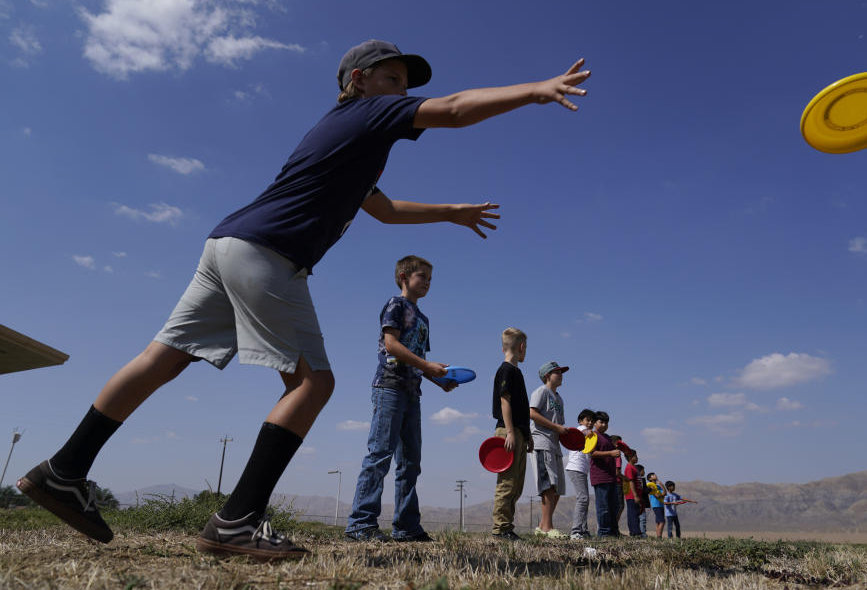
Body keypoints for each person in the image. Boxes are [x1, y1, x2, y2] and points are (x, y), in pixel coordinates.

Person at [17, 39, 591, 560]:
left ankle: (63, 471)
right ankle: (237, 519)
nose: (404, 90)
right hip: (269, 253)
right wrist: (534, 91)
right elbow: (457, 108)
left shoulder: (348, 140)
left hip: (227, 244)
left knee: (163, 357)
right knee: (314, 383)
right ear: (358, 80)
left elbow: (383, 210)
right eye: (393, 78)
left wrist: (451, 213)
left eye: (405, 82)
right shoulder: (369, 113)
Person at [344, 255, 452, 542]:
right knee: (380, 454)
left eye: (430, 279)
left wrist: (437, 379)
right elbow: (391, 345)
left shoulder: (424, 319)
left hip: (411, 392)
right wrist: (427, 367)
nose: (428, 283)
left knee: (410, 462)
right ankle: (360, 524)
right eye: (422, 277)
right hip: (389, 388)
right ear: (404, 277)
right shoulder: (396, 305)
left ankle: (406, 527)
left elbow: (418, 359)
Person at [491, 328, 532, 541]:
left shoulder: (516, 372)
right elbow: (504, 400)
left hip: (519, 432)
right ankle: (500, 528)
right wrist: (509, 432)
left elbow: (521, 408)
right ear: (522, 347)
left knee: (517, 483)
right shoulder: (506, 370)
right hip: (508, 432)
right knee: (507, 482)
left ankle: (507, 526)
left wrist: (527, 435)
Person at [529, 361, 570, 539]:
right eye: (557, 372)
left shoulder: (559, 398)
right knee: (548, 485)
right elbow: (531, 413)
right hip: (541, 442)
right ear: (547, 376)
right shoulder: (541, 391)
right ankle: (547, 528)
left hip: (555, 445)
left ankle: (542, 527)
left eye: (561, 372)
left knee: (558, 487)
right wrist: (555, 427)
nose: (561, 374)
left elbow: (560, 425)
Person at [564, 408, 596, 540]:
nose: (590, 423)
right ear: (580, 421)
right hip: (575, 468)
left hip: (582, 470)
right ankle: (576, 531)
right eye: (587, 420)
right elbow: (582, 432)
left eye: (592, 421)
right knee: (582, 499)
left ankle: (583, 530)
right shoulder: (580, 430)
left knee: (585, 500)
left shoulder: (589, 435)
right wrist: (588, 431)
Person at [588, 411, 621, 538]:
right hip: (600, 476)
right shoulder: (592, 436)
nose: (604, 425)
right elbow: (592, 453)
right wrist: (611, 453)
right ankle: (604, 533)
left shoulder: (607, 437)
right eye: (601, 422)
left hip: (611, 476)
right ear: (595, 423)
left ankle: (613, 531)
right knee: (604, 507)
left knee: (614, 506)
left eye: (606, 422)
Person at [623, 452, 647, 538]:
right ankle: (635, 532)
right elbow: (631, 481)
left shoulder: (634, 468)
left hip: (637, 495)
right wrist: (635, 495)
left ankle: (636, 531)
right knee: (632, 514)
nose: (637, 458)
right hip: (632, 496)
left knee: (636, 514)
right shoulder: (629, 468)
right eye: (635, 456)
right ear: (630, 457)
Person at [647, 472, 667, 539]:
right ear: (650, 478)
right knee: (662, 521)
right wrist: (661, 494)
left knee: (658, 522)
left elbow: (665, 493)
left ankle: (658, 536)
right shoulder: (650, 485)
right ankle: (659, 537)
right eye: (653, 475)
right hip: (656, 505)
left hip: (661, 505)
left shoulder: (658, 486)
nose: (655, 475)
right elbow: (657, 496)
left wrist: (661, 485)